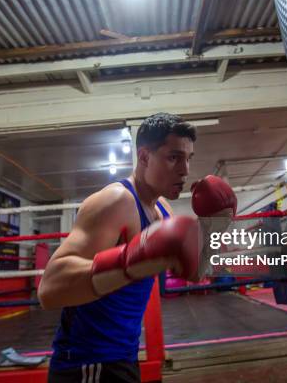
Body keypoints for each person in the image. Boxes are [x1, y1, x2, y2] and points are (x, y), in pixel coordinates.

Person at [39, 113, 236, 383]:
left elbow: (196, 271)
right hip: (87, 364)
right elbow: (49, 289)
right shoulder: (115, 201)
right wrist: (130, 259)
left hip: (124, 355)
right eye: (174, 157)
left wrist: (217, 224)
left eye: (188, 158)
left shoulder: (162, 209)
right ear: (144, 157)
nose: (185, 170)